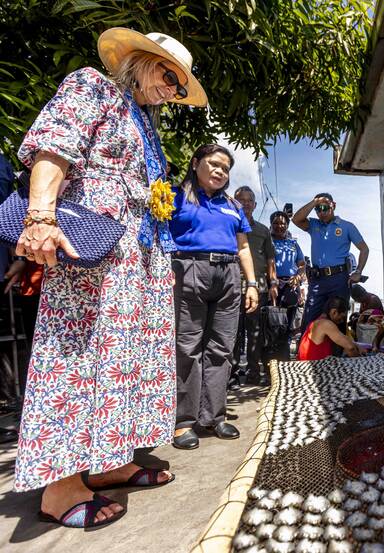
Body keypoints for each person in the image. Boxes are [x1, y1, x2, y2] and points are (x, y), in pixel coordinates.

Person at [13, 28, 207, 527]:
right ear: (141, 60)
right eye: (169, 76)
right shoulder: (93, 87)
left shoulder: (144, 121)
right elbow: (54, 145)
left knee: (126, 361)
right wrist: (40, 217)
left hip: (139, 258)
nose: (173, 90)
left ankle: (107, 466)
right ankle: (60, 487)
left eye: (180, 87)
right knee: (79, 356)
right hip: (94, 254)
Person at [169, 144, 259, 450]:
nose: (220, 171)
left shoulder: (232, 205)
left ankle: (213, 416)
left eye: (226, 168)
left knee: (222, 348)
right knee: (188, 347)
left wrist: (252, 284)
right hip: (188, 270)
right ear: (195, 163)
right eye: (214, 164)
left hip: (228, 275)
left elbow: (244, 247)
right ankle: (183, 422)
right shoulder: (174, 196)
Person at [293, 192, 369, 333]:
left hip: (339, 279)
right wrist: (314, 202)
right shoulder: (313, 225)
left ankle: (337, 355)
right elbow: (296, 219)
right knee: (310, 319)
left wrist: (358, 271)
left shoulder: (347, 226)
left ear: (333, 206)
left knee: (337, 320)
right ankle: (306, 354)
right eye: (318, 209)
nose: (322, 212)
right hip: (317, 280)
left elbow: (364, 249)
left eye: (325, 207)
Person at [230, 186, 276, 388]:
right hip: (231, 287)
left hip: (258, 288)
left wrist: (273, 283)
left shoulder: (263, 230)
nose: (246, 204)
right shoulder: (228, 226)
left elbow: (270, 259)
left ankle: (253, 373)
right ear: (234, 202)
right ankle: (231, 374)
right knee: (232, 333)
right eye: (242, 200)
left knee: (256, 333)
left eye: (250, 200)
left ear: (255, 205)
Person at [269, 210, 306, 361]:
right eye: (276, 223)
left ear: (287, 225)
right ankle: (269, 362)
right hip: (273, 286)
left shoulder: (293, 244)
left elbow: (302, 264)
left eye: (283, 223)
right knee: (272, 325)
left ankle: (283, 361)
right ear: (271, 225)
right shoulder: (268, 241)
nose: (279, 226)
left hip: (291, 287)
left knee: (287, 326)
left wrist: (298, 275)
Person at [297, 296, 361, 360]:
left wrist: (356, 345)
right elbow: (350, 348)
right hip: (314, 365)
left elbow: (346, 341)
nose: (341, 321)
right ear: (334, 312)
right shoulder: (326, 324)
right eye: (341, 317)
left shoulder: (318, 321)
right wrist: (360, 360)